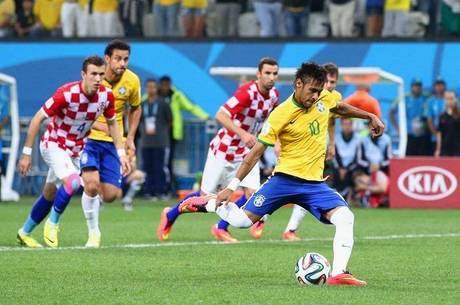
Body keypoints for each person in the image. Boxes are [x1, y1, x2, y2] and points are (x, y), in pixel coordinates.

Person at [175, 61, 384, 286]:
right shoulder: (280, 114)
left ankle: (339, 273)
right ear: (298, 84)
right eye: (312, 90)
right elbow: (255, 153)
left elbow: (339, 107)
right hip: (284, 181)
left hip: (314, 184)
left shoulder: (324, 97)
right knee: (243, 222)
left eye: (318, 91)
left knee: (345, 217)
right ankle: (209, 203)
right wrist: (231, 187)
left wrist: (369, 116)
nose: (315, 96)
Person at [157, 57, 280, 243]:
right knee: (204, 197)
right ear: (259, 74)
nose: (271, 77)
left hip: (247, 153)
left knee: (253, 196)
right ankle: (170, 215)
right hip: (224, 150)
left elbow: (276, 118)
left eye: (274, 73)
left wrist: (278, 141)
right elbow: (221, 115)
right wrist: (243, 134)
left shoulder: (274, 95)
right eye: (267, 73)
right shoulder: (247, 93)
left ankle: (220, 227)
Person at [16, 55, 130, 248]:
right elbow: (37, 119)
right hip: (53, 144)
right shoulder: (66, 94)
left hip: (76, 148)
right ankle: (53, 224)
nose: (97, 78)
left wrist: (122, 154)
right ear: (83, 74)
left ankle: (24, 232)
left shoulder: (106, 96)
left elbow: (112, 124)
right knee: (74, 182)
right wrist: (26, 153)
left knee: (51, 193)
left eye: (101, 74)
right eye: (93, 74)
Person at [80, 40, 142, 248]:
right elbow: (83, 111)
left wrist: (130, 137)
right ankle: (93, 232)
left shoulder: (132, 81)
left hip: (114, 143)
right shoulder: (94, 79)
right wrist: (106, 128)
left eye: (126, 59)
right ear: (107, 59)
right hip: (90, 139)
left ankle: (87, 186)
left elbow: (135, 108)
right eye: (118, 58)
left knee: (110, 195)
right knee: (92, 184)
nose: (122, 63)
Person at [282, 62, 344, 241]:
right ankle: (262, 217)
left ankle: (290, 230)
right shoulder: (306, 96)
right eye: (328, 82)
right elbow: (285, 119)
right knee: (284, 187)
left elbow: (332, 122)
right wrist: (279, 145)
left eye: (333, 82)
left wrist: (331, 144)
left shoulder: (334, 97)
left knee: (308, 187)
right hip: (296, 149)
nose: (330, 86)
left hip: (317, 149)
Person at [157, 75, 209, 195]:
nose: (165, 87)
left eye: (167, 84)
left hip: (171, 134)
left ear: (169, 85)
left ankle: (168, 188)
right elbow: (143, 104)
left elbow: (190, 107)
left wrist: (204, 116)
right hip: (156, 134)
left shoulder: (176, 95)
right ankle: (158, 188)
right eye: (163, 85)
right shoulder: (155, 95)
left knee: (167, 161)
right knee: (159, 161)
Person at [141, 78, 172, 200]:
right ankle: (149, 192)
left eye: (153, 87)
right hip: (146, 142)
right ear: (145, 88)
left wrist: (162, 132)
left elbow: (170, 120)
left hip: (161, 142)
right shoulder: (142, 104)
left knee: (160, 167)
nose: (151, 89)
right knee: (147, 167)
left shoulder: (163, 103)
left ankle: (162, 191)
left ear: (156, 88)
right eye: (148, 87)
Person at [389, 78, 431, 156]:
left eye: (419, 85)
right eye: (415, 85)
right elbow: (391, 112)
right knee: (409, 156)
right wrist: (398, 129)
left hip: (423, 134)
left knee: (424, 157)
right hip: (408, 134)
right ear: (411, 87)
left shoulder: (426, 98)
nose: (417, 88)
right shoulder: (404, 98)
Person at [435, 90, 460, 156]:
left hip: (458, 148)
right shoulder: (442, 116)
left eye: (451, 98)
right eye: (447, 99)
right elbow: (439, 133)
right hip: (445, 148)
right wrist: (438, 149)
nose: (449, 101)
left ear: (456, 99)